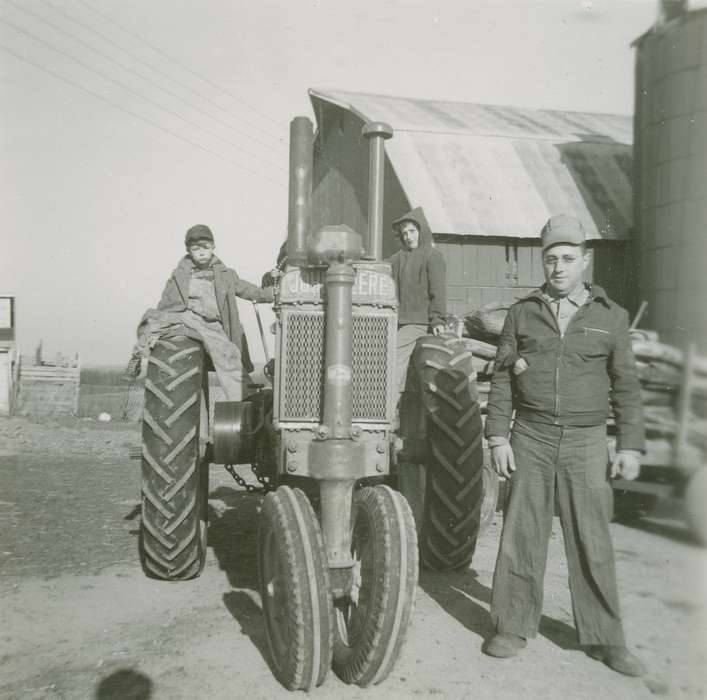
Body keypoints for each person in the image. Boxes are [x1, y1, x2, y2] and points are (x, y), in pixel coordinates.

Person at [483, 214, 646, 677]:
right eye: (551, 259)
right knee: (522, 533)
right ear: (544, 261)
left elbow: (627, 388)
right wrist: (498, 436)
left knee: (592, 537)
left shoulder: (610, 317)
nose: (558, 267)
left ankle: (604, 638)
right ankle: (512, 626)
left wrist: (630, 445)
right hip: (530, 436)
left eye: (568, 258)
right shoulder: (522, 313)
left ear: (585, 261)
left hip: (586, 440)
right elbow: (501, 380)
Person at [125, 224, 274, 400]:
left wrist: (271, 293)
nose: (202, 253)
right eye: (196, 249)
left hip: (211, 324)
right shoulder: (179, 275)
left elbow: (248, 290)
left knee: (228, 354)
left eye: (206, 248)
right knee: (153, 322)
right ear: (188, 250)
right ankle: (139, 355)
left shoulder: (226, 275)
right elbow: (167, 302)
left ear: (213, 248)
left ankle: (246, 396)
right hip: (184, 315)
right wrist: (163, 315)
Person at [388, 207, 446, 396]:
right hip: (398, 321)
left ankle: (387, 408)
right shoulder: (398, 258)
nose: (408, 237)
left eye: (412, 231)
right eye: (404, 233)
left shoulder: (432, 256)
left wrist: (437, 319)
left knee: (392, 358)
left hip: (418, 321)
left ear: (422, 231)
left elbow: (438, 290)